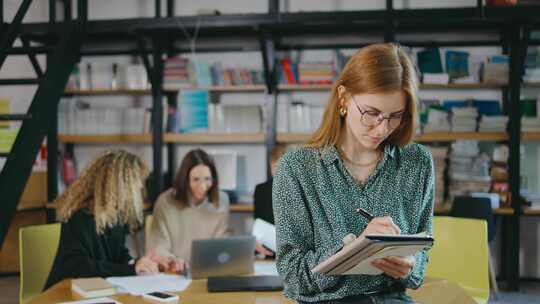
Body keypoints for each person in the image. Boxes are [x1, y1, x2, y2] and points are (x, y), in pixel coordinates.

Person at [273, 43, 434, 303]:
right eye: (371, 113)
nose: (382, 129)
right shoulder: (296, 168)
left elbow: (421, 263)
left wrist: (411, 266)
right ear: (343, 98)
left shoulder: (417, 162)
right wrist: (352, 249)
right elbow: (293, 276)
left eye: (396, 116)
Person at [45, 150, 169, 290]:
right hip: (65, 292)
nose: (140, 186)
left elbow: (118, 255)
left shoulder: (116, 216)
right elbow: (80, 267)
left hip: (95, 291)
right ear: (118, 185)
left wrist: (139, 264)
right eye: (136, 180)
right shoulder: (79, 218)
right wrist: (131, 269)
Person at [148, 149, 230, 272]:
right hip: (174, 273)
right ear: (185, 180)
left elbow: (222, 243)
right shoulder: (165, 202)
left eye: (207, 179)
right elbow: (158, 247)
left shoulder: (222, 200)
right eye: (196, 179)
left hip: (209, 270)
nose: (202, 186)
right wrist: (172, 261)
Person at [254, 144, 288, 225]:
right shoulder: (260, 189)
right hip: (267, 235)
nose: (277, 171)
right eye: (274, 167)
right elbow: (258, 222)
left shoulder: (296, 190)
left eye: (280, 167)